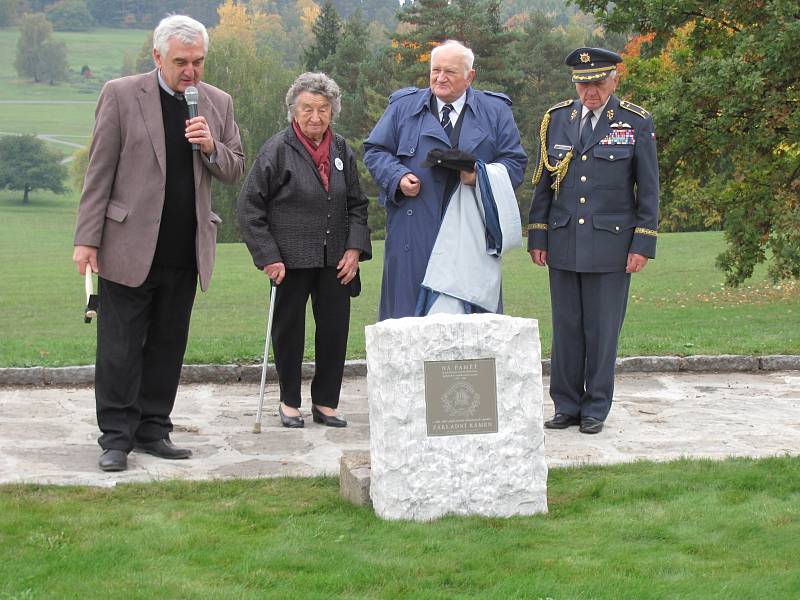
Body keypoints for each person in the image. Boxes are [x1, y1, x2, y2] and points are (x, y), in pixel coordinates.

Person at [72, 15, 245, 471]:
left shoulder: (217, 103)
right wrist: (87, 240)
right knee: (119, 348)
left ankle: (154, 429)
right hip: (126, 245)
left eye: (198, 62)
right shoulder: (121, 94)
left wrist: (210, 146)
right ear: (157, 57)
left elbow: (234, 168)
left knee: (168, 345)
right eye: (181, 62)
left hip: (185, 250)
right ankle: (115, 437)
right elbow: (99, 173)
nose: (191, 72)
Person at [527, 47, 660, 434]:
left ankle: (595, 407)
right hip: (565, 240)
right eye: (583, 84)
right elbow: (545, 183)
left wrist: (642, 243)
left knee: (601, 332)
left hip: (611, 246)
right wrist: (539, 233)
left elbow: (648, 190)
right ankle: (565, 405)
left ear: (615, 79)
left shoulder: (635, 122)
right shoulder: (556, 120)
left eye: (598, 83)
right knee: (566, 329)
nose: (591, 92)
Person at [237, 72, 371, 429]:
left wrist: (354, 249)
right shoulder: (277, 150)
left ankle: (326, 403)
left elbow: (358, 205)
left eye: (323, 109)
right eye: (308, 109)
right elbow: (250, 208)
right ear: (294, 111)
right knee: (289, 331)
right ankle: (289, 402)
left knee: (334, 331)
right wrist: (268, 256)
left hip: (336, 261)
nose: (316, 117)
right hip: (288, 261)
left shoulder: (342, 150)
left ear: (333, 112)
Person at [364, 40, 527, 320]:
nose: (440, 78)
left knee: (473, 328)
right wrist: (398, 176)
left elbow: (515, 163)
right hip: (412, 235)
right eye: (435, 70)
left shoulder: (496, 111)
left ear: (470, 76)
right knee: (408, 325)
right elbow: (375, 150)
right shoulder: (402, 107)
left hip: (471, 234)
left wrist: (480, 178)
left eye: (449, 72)